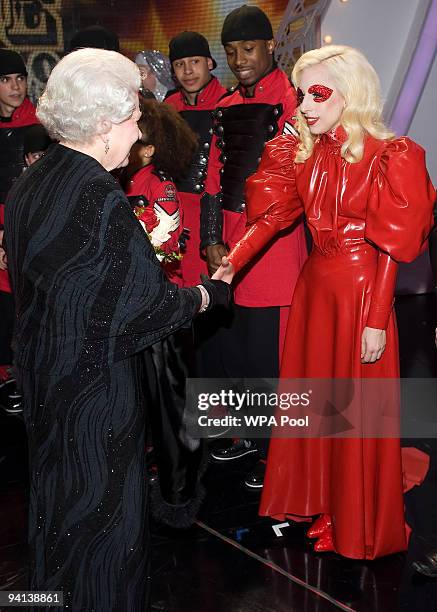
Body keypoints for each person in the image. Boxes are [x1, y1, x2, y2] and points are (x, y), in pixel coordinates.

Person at [4, 48, 232, 611]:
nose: (138, 128)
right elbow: (147, 310)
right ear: (105, 125)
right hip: (94, 391)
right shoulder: (100, 197)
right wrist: (208, 294)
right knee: (104, 521)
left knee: (57, 511)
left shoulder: (36, 179)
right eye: (132, 115)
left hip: (45, 378)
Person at [216, 45, 435, 558]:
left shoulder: (392, 154)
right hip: (315, 290)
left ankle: (355, 517)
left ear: (350, 92)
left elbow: (390, 249)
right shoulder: (308, 151)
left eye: (318, 92)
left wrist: (378, 319)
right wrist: (235, 260)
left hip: (362, 295)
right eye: (302, 94)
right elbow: (273, 215)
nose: (306, 106)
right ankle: (326, 501)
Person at [201, 5, 308, 488]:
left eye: (248, 49)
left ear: (269, 47)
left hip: (274, 246)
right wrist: (209, 239)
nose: (239, 59)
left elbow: (293, 186)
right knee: (234, 345)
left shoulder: (294, 100)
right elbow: (212, 178)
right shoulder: (223, 104)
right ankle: (248, 434)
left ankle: (278, 453)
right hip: (227, 241)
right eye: (230, 52)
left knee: (271, 351)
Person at [165, 31, 226, 287]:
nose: (188, 71)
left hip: (214, 213)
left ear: (210, 63)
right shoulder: (168, 108)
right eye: (180, 64)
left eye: (195, 62)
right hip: (173, 213)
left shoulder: (228, 102)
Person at [0, 49, 38, 382]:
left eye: (20, 79)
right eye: (5, 80)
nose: (15, 87)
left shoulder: (42, 122)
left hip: (31, 230)